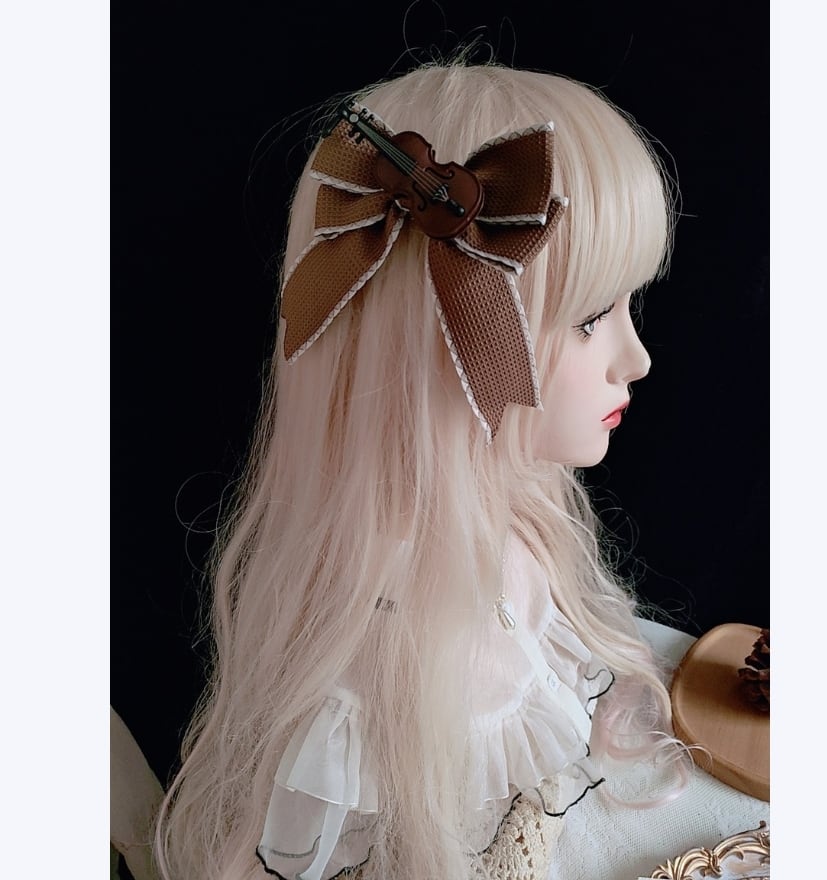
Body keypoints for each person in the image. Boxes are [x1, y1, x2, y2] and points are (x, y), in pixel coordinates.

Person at [154, 61, 690, 880]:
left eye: (627, 306)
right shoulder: (384, 654)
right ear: (450, 348)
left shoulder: (524, 526)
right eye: (590, 319)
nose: (637, 358)